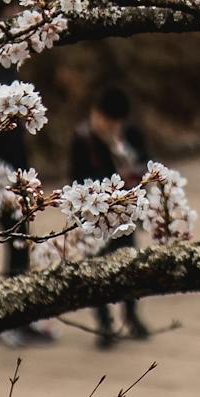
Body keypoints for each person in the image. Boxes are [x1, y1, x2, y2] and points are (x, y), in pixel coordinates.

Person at [70, 84, 153, 349]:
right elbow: (76, 181)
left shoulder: (131, 136)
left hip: (124, 216)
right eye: (104, 119)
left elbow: (147, 167)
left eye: (113, 122)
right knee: (95, 270)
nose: (107, 125)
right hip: (94, 218)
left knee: (128, 266)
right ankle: (104, 323)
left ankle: (131, 315)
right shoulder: (82, 138)